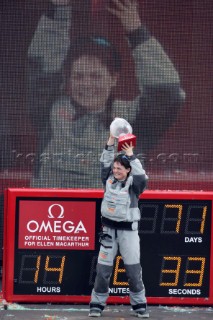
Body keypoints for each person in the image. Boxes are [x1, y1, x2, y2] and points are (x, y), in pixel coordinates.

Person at [27, 0, 185, 188]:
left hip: (113, 213)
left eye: (96, 76)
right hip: (54, 214)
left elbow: (167, 93)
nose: (86, 84)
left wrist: (136, 32)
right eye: (78, 76)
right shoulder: (50, 108)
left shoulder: (132, 118)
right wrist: (59, 9)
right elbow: (42, 65)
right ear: (68, 79)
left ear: (114, 78)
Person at [89, 134, 149, 318]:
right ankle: (96, 304)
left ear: (128, 170)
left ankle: (139, 305)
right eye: (114, 168)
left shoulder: (135, 186)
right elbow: (105, 162)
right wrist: (110, 141)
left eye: (120, 169)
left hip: (128, 233)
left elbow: (141, 176)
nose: (115, 171)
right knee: (103, 271)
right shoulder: (108, 179)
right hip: (108, 232)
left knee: (133, 271)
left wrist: (131, 155)